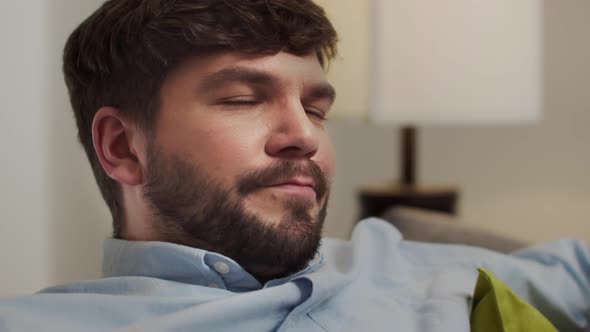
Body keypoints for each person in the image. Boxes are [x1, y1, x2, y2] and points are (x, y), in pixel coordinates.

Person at [0, 0, 589, 331]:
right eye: (241, 99)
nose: (303, 135)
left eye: (315, 107)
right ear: (123, 148)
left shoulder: (399, 261)